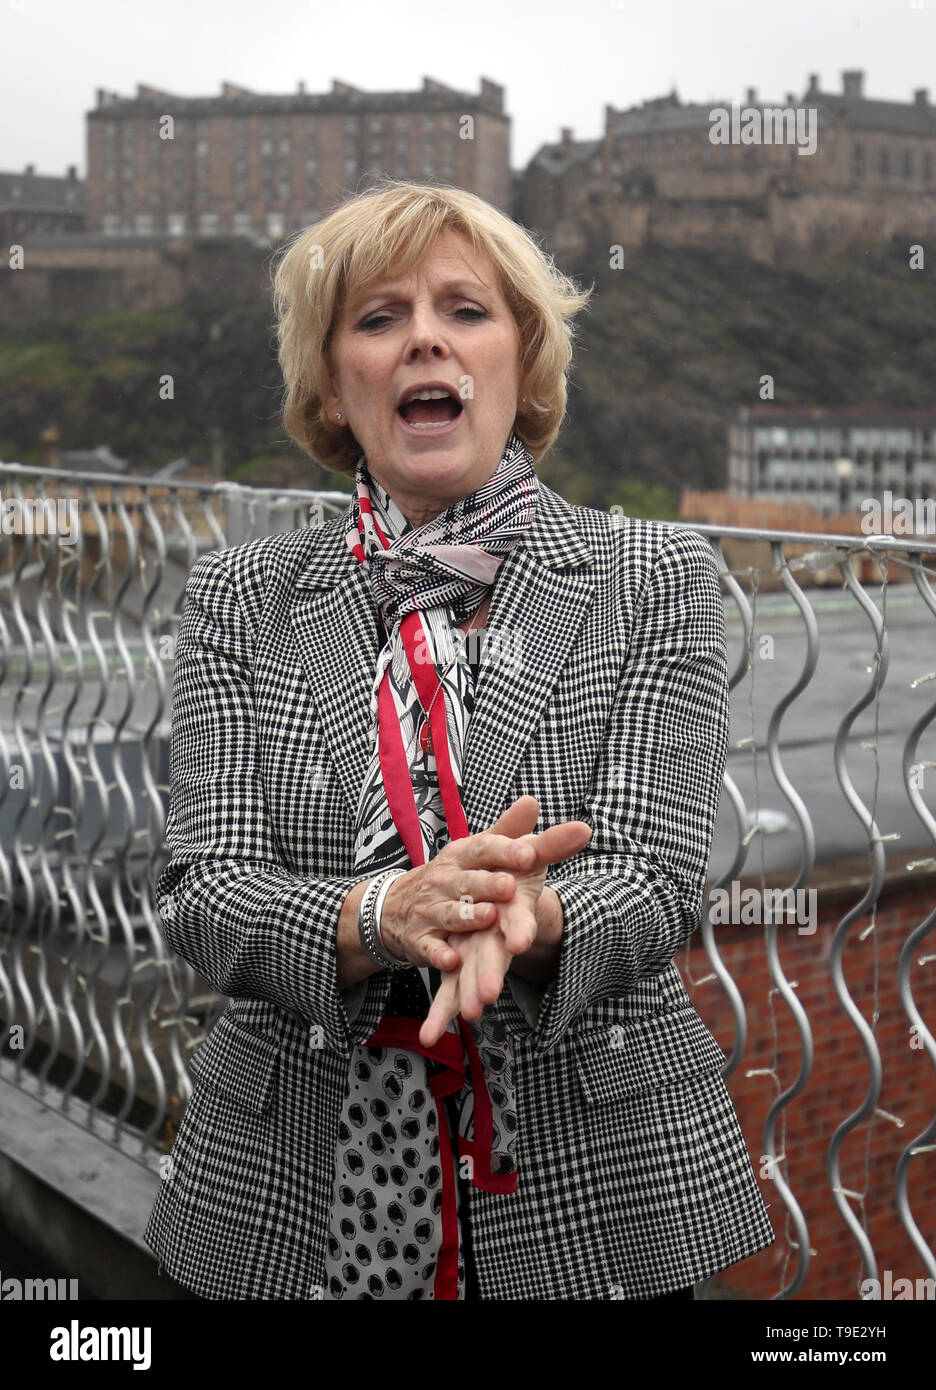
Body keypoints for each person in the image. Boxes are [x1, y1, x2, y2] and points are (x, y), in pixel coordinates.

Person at [143, 178, 775, 1300]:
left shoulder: (655, 578)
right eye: (378, 319)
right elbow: (207, 891)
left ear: (523, 364)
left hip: (595, 1175)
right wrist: (382, 913)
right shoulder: (242, 593)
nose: (423, 335)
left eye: (465, 310)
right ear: (334, 387)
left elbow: (660, 880)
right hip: (291, 1171)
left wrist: (534, 917)